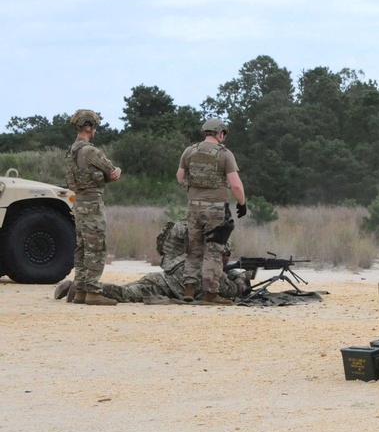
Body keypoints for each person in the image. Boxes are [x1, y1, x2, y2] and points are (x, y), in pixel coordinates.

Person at [54, 220, 251, 304]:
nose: (227, 260)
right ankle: (81, 288)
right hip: (179, 285)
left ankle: (80, 286)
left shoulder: (192, 258)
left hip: (170, 274)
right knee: (129, 294)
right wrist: (242, 277)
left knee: (128, 291)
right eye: (226, 256)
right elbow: (232, 291)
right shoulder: (213, 272)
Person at [176, 118, 247, 305]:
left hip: (193, 207)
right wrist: (242, 203)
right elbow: (236, 185)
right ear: (220, 133)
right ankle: (210, 292)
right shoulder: (225, 155)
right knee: (213, 251)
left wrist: (192, 191)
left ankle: (189, 289)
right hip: (215, 209)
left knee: (193, 249)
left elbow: (180, 176)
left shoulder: (189, 151)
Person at [64, 109, 121, 306]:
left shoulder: (71, 151)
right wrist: (116, 171)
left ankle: (80, 289)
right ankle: (93, 291)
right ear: (88, 127)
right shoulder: (90, 151)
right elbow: (112, 172)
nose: (95, 130)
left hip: (78, 203)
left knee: (82, 247)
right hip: (92, 203)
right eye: (94, 126)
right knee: (96, 247)